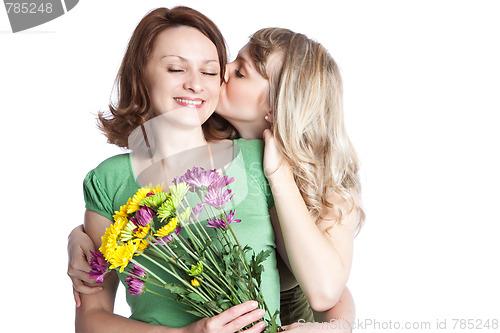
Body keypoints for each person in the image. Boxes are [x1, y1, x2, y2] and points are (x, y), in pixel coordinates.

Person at [71, 8, 360, 332]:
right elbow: (91, 318)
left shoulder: (273, 167)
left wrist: (337, 328)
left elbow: (328, 290)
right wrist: (82, 236)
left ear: (273, 107)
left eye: (227, 72)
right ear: (142, 73)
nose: (212, 77)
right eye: (177, 68)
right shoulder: (114, 178)